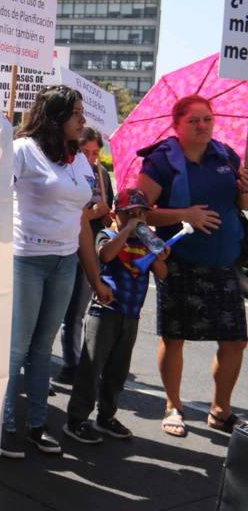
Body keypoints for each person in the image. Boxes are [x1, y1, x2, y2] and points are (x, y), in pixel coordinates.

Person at [2, 85, 113, 459]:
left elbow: (81, 221)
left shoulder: (77, 158)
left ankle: (36, 425)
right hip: (26, 260)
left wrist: (94, 276)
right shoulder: (21, 151)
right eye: (77, 113)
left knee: (41, 349)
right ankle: (2, 428)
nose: (84, 119)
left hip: (65, 263)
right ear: (56, 116)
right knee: (16, 349)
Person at [136, 94, 248, 438]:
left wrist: (245, 190)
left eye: (207, 120)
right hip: (180, 263)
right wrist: (185, 215)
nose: (202, 126)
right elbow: (138, 213)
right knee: (175, 338)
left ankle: (220, 410)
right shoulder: (161, 161)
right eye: (193, 121)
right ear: (177, 125)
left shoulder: (226, 156)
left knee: (235, 341)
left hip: (225, 262)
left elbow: (241, 204)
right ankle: (173, 406)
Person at [64, 189, 169, 443]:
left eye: (141, 213)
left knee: (117, 371)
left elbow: (163, 273)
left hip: (131, 315)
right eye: (129, 213)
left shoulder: (144, 244)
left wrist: (157, 251)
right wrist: (126, 230)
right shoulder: (108, 234)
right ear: (115, 214)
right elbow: (105, 254)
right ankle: (77, 419)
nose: (136, 218)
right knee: (92, 367)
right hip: (105, 312)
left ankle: (106, 415)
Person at [57, 127, 115, 384]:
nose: (92, 158)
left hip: (90, 251)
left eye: (96, 152)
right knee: (55, 311)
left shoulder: (102, 174)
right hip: (66, 247)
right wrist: (90, 213)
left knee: (77, 313)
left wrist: (105, 215)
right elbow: (66, 213)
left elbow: (105, 215)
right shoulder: (67, 172)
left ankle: (72, 363)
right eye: (86, 152)